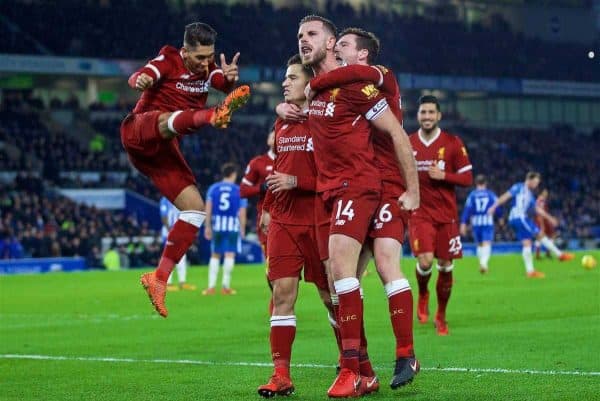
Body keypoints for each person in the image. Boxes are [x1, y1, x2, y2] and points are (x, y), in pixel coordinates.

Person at [298, 15, 419, 398]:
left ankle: (374, 361)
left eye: (313, 35)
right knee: (340, 279)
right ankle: (364, 365)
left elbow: (396, 133)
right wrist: (292, 104)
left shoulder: (368, 78)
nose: (304, 40)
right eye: (300, 35)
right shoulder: (323, 90)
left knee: (374, 266)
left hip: (377, 185)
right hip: (341, 188)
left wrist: (413, 189)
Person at [120, 22, 250, 317]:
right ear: (185, 50)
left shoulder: (207, 69)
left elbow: (221, 82)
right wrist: (140, 80)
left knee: (195, 209)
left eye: (210, 56)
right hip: (140, 131)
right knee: (167, 120)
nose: (206, 63)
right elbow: (144, 74)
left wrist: (228, 80)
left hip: (161, 152)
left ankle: (159, 278)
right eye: (200, 57)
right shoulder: (168, 59)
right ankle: (211, 115)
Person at [257, 54, 334, 398]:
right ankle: (281, 375)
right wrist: (268, 207)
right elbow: (279, 171)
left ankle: (354, 361)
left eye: (292, 78)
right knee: (282, 294)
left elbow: (333, 178)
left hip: (318, 219)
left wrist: (297, 182)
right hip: (284, 221)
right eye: (284, 78)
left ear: (309, 82)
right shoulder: (282, 122)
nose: (285, 83)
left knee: (330, 297)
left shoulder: (326, 121)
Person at [409, 95, 473, 336]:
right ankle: (423, 293)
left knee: (446, 265)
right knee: (425, 261)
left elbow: (467, 179)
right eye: (423, 112)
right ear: (418, 116)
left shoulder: (453, 143)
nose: (426, 117)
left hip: (447, 215)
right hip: (420, 213)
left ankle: (441, 315)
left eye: (431, 113)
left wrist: (444, 176)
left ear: (439, 116)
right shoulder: (409, 143)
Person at [488, 172, 574, 278]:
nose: (536, 185)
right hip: (520, 217)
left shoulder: (530, 195)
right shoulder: (519, 187)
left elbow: (537, 210)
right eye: (536, 182)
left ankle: (532, 270)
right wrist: (493, 207)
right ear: (529, 180)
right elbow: (505, 196)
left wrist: (550, 218)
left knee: (529, 241)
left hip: (519, 218)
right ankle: (559, 255)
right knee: (538, 236)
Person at [202, 163, 247, 295]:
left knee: (215, 255)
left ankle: (211, 287)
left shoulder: (213, 188)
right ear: (233, 174)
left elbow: (208, 208)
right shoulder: (238, 190)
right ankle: (225, 287)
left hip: (218, 225)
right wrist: (243, 229)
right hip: (232, 226)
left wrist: (207, 226)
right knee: (229, 254)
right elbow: (242, 212)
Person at [240, 129, 275, 255]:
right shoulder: (258, 162)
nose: (276, 136)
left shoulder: (293, 160)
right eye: (273, 134)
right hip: (267, 216)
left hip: (293, 215)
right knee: (271, 261)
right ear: (268, 140)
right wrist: (261, 187)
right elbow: (243, 190)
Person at [460, 174, 500, 274]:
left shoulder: (472, 195)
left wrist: (463, 223)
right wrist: (500, 217)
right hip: (487, 221)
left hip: (476, 222)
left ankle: (482, 264)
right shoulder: (490, 194)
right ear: (485, 183)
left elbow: (467, 210)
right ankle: (483, 264)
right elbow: (497, 206)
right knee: (487, 243)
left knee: (480, 244)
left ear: (476, 183)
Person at [159, 196, 196, 291]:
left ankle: (182, 282)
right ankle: (167, 283)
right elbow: (164, 216)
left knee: (182, 257)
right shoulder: (166, 199)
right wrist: (170, 231)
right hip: (170, 232)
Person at [534, 189, 557, 259]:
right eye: (545, 192)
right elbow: (539, 212)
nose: (547, 193)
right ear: (542, 193)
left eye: (547, 192)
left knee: (551, 235)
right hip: (541, 220)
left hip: (543, 220)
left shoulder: (540, 200)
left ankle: (545, 253)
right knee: (542, 236)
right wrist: (542, 224)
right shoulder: (541, 200)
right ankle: (541, 254)